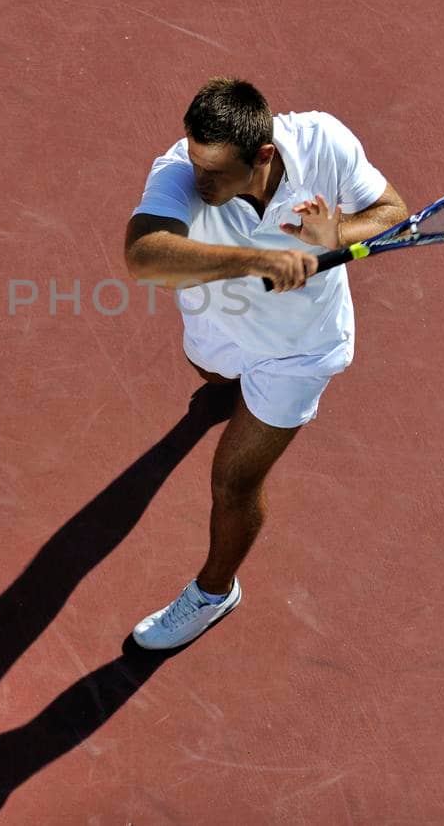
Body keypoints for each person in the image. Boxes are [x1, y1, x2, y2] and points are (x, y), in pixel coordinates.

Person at [123, 77, 408, 650]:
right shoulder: (179, 171)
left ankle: (213, 592)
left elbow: (392, 213)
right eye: (195, 161)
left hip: (299, 351)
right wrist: (262, 257)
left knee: (233, 481)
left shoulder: (325, 141)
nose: (198, 180)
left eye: (215, 172)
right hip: (218, 327)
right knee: (209, 379)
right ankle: (223, 393)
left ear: (263, 156)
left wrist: (330, 239)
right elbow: (143, 257)